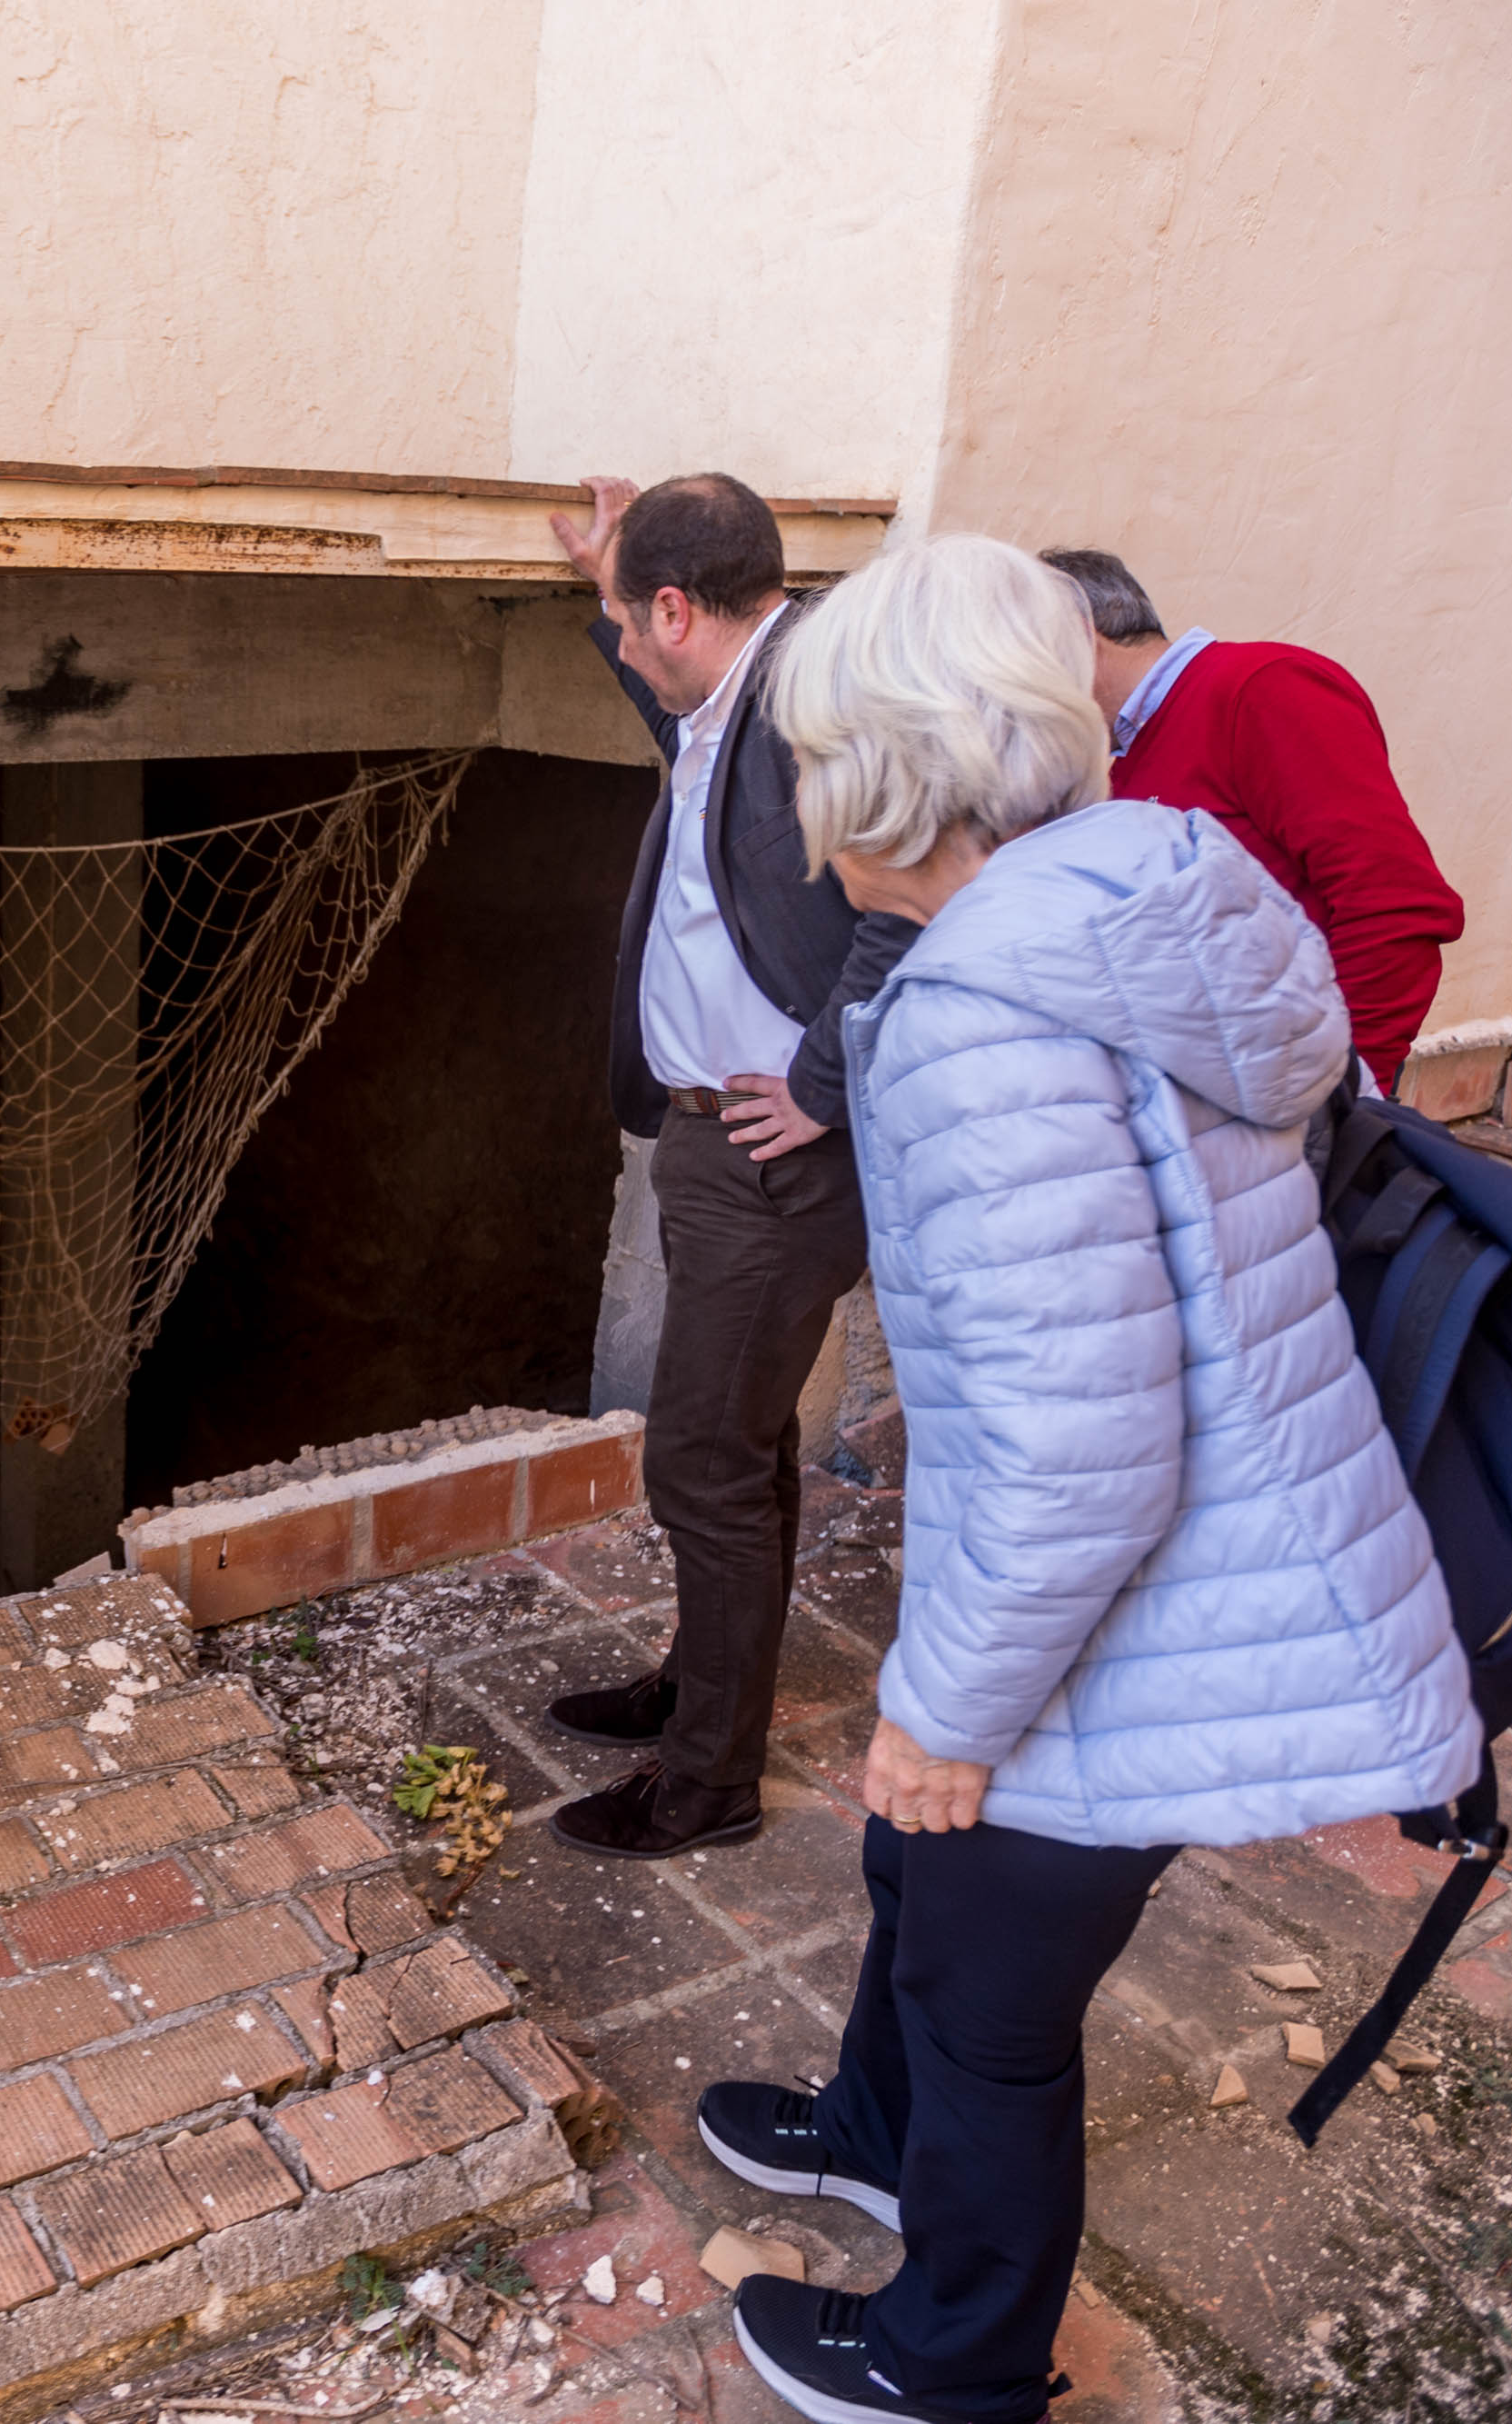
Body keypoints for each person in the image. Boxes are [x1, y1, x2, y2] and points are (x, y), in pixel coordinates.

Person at [691, 534, 1480, 2424]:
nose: (799, 802)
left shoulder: (977, 1013)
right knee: (916, 1868)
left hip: (1132, 1592)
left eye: (810, 757)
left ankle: (950, 2352)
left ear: (885, 770)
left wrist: (947, 1706)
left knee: (986, 1979)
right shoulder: (1145, 894)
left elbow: (1075, 1448)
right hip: (1200, 1534)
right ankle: (867, 2135)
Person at [539, 475, 920, 1860]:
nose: (630, 651)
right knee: (739, 1444)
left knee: (699, 1454)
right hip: (712, 1141)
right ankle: (700, 1685)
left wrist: (821, 1087)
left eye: (638, 623)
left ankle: (706, 1781)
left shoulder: (821, 707)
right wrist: (606, 587)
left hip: (775, 1164)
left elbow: (913, 905)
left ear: (684, 609)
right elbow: (679, 726)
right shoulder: (732, 695)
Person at [1038, 549, 1464, 1087]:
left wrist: (1345, 1091)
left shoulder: (1261, 687)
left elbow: (1394, 908)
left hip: (1302, 1093)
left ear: (1075, 637)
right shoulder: (1125, 751)